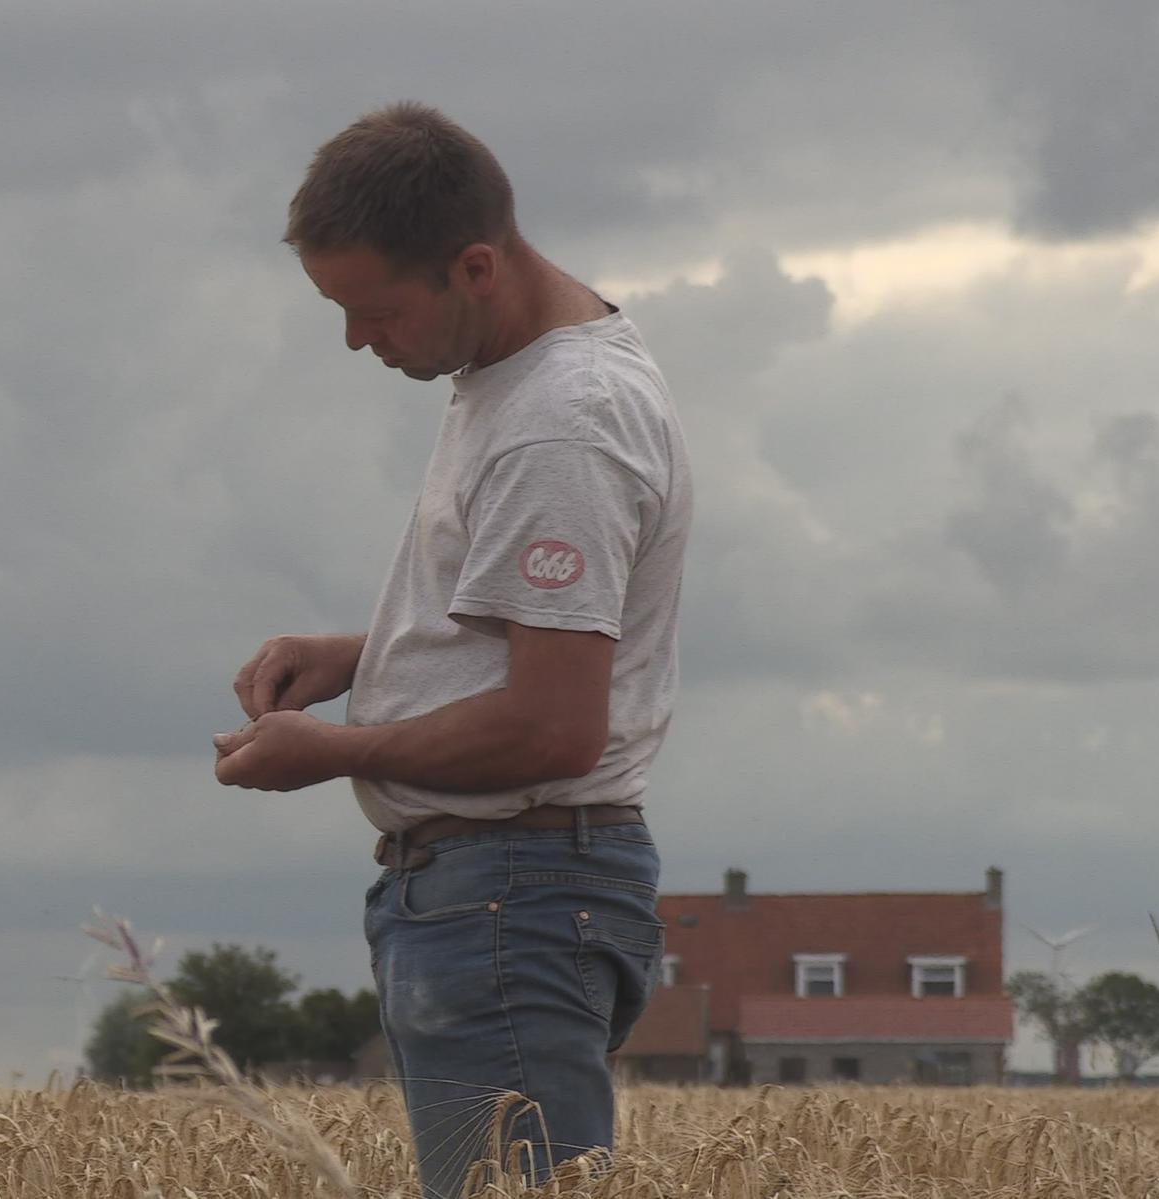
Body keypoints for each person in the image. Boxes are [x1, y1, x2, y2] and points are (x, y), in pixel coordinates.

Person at [212, 102, 692, 1197]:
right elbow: (539, 638)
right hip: (509, 893)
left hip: (509, 896)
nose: (356, 339)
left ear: (475, 267)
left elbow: (554, 726)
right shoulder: (521, 379)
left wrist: (334, 749)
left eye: (374, 310)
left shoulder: (560, 424)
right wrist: (364, 653)